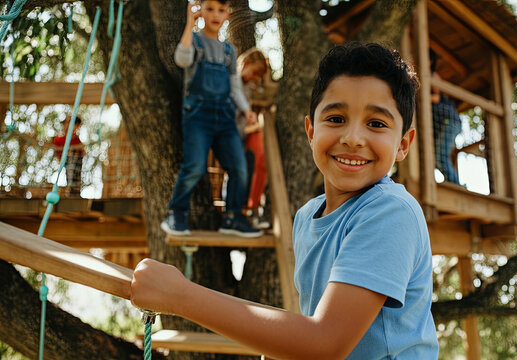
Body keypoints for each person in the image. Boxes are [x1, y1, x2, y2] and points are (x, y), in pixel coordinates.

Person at [131, 43, 439, 359]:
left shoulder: (390, 213)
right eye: (335, 118)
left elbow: (325, 343)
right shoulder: (307, 217)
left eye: (376, 123)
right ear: (310, 131)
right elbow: (312, 330)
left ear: (403, 144)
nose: (352, 138)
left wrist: (181, 296)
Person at [161, 0, 262, 237]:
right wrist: (189, 24)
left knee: (239, 167)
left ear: (227, 14)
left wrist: (245, 109)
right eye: (210, 9)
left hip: (225, 118)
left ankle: (233, 217)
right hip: (198, 116)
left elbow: (235, 85)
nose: (215, 15)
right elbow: (182, 60)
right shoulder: (195, 41)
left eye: (220, 10)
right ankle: (176, 213)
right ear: (201, 11)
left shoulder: (229, 50)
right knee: (195, 166)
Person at [236, 48, 270, 229]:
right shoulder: (231, 81)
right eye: (255, 73)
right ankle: (238, 209)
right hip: (229, 134)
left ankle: (253, 206)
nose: (256, 78)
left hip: (243, 133)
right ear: (246, 64)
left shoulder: (248, 87)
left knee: (259, 158)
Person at [430, 49, 462, 184]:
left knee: (440, 157)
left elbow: (436, 97)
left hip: (449, 120)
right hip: (443, 123)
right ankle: (452, 183)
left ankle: (456, 186)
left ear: (430, 61)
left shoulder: (432, 76)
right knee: (436, 156)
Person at [53, 116, 85, 196]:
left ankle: (75, 189)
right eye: (67, 123)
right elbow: (57, 152)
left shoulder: (77, 141)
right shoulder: (59, 139)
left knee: (75, 174)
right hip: (67, 162)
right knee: (71, 166)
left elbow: (82, 154)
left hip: (75, 165)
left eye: (74, 124)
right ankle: (72, 189)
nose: (68, 125)